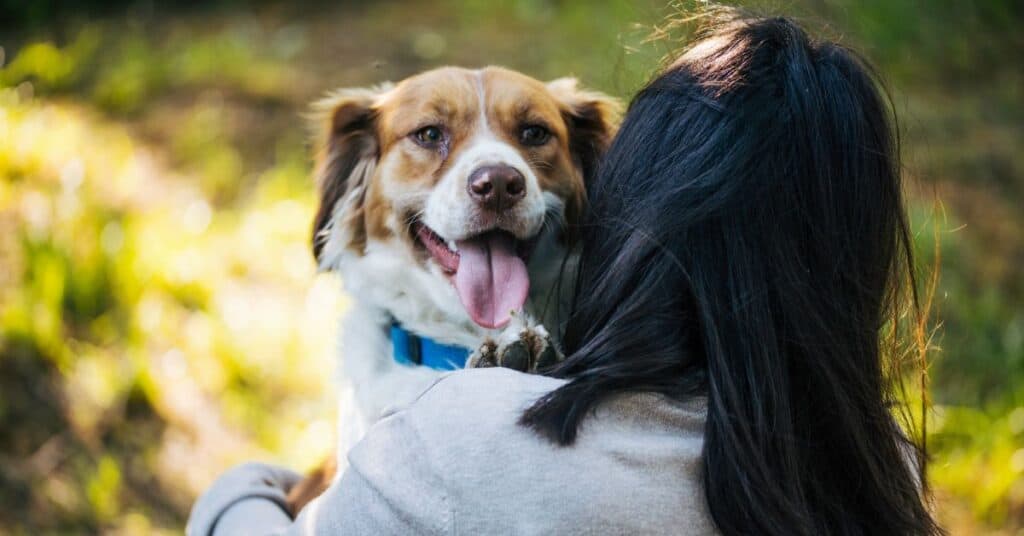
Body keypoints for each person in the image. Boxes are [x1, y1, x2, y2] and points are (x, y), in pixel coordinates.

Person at [187, 14, 941, 536]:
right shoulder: (886, 467)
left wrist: (240, 489)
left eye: (533, 138)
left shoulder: (473, 445)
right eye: (430, 137)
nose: (494, 173)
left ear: (616, 192)